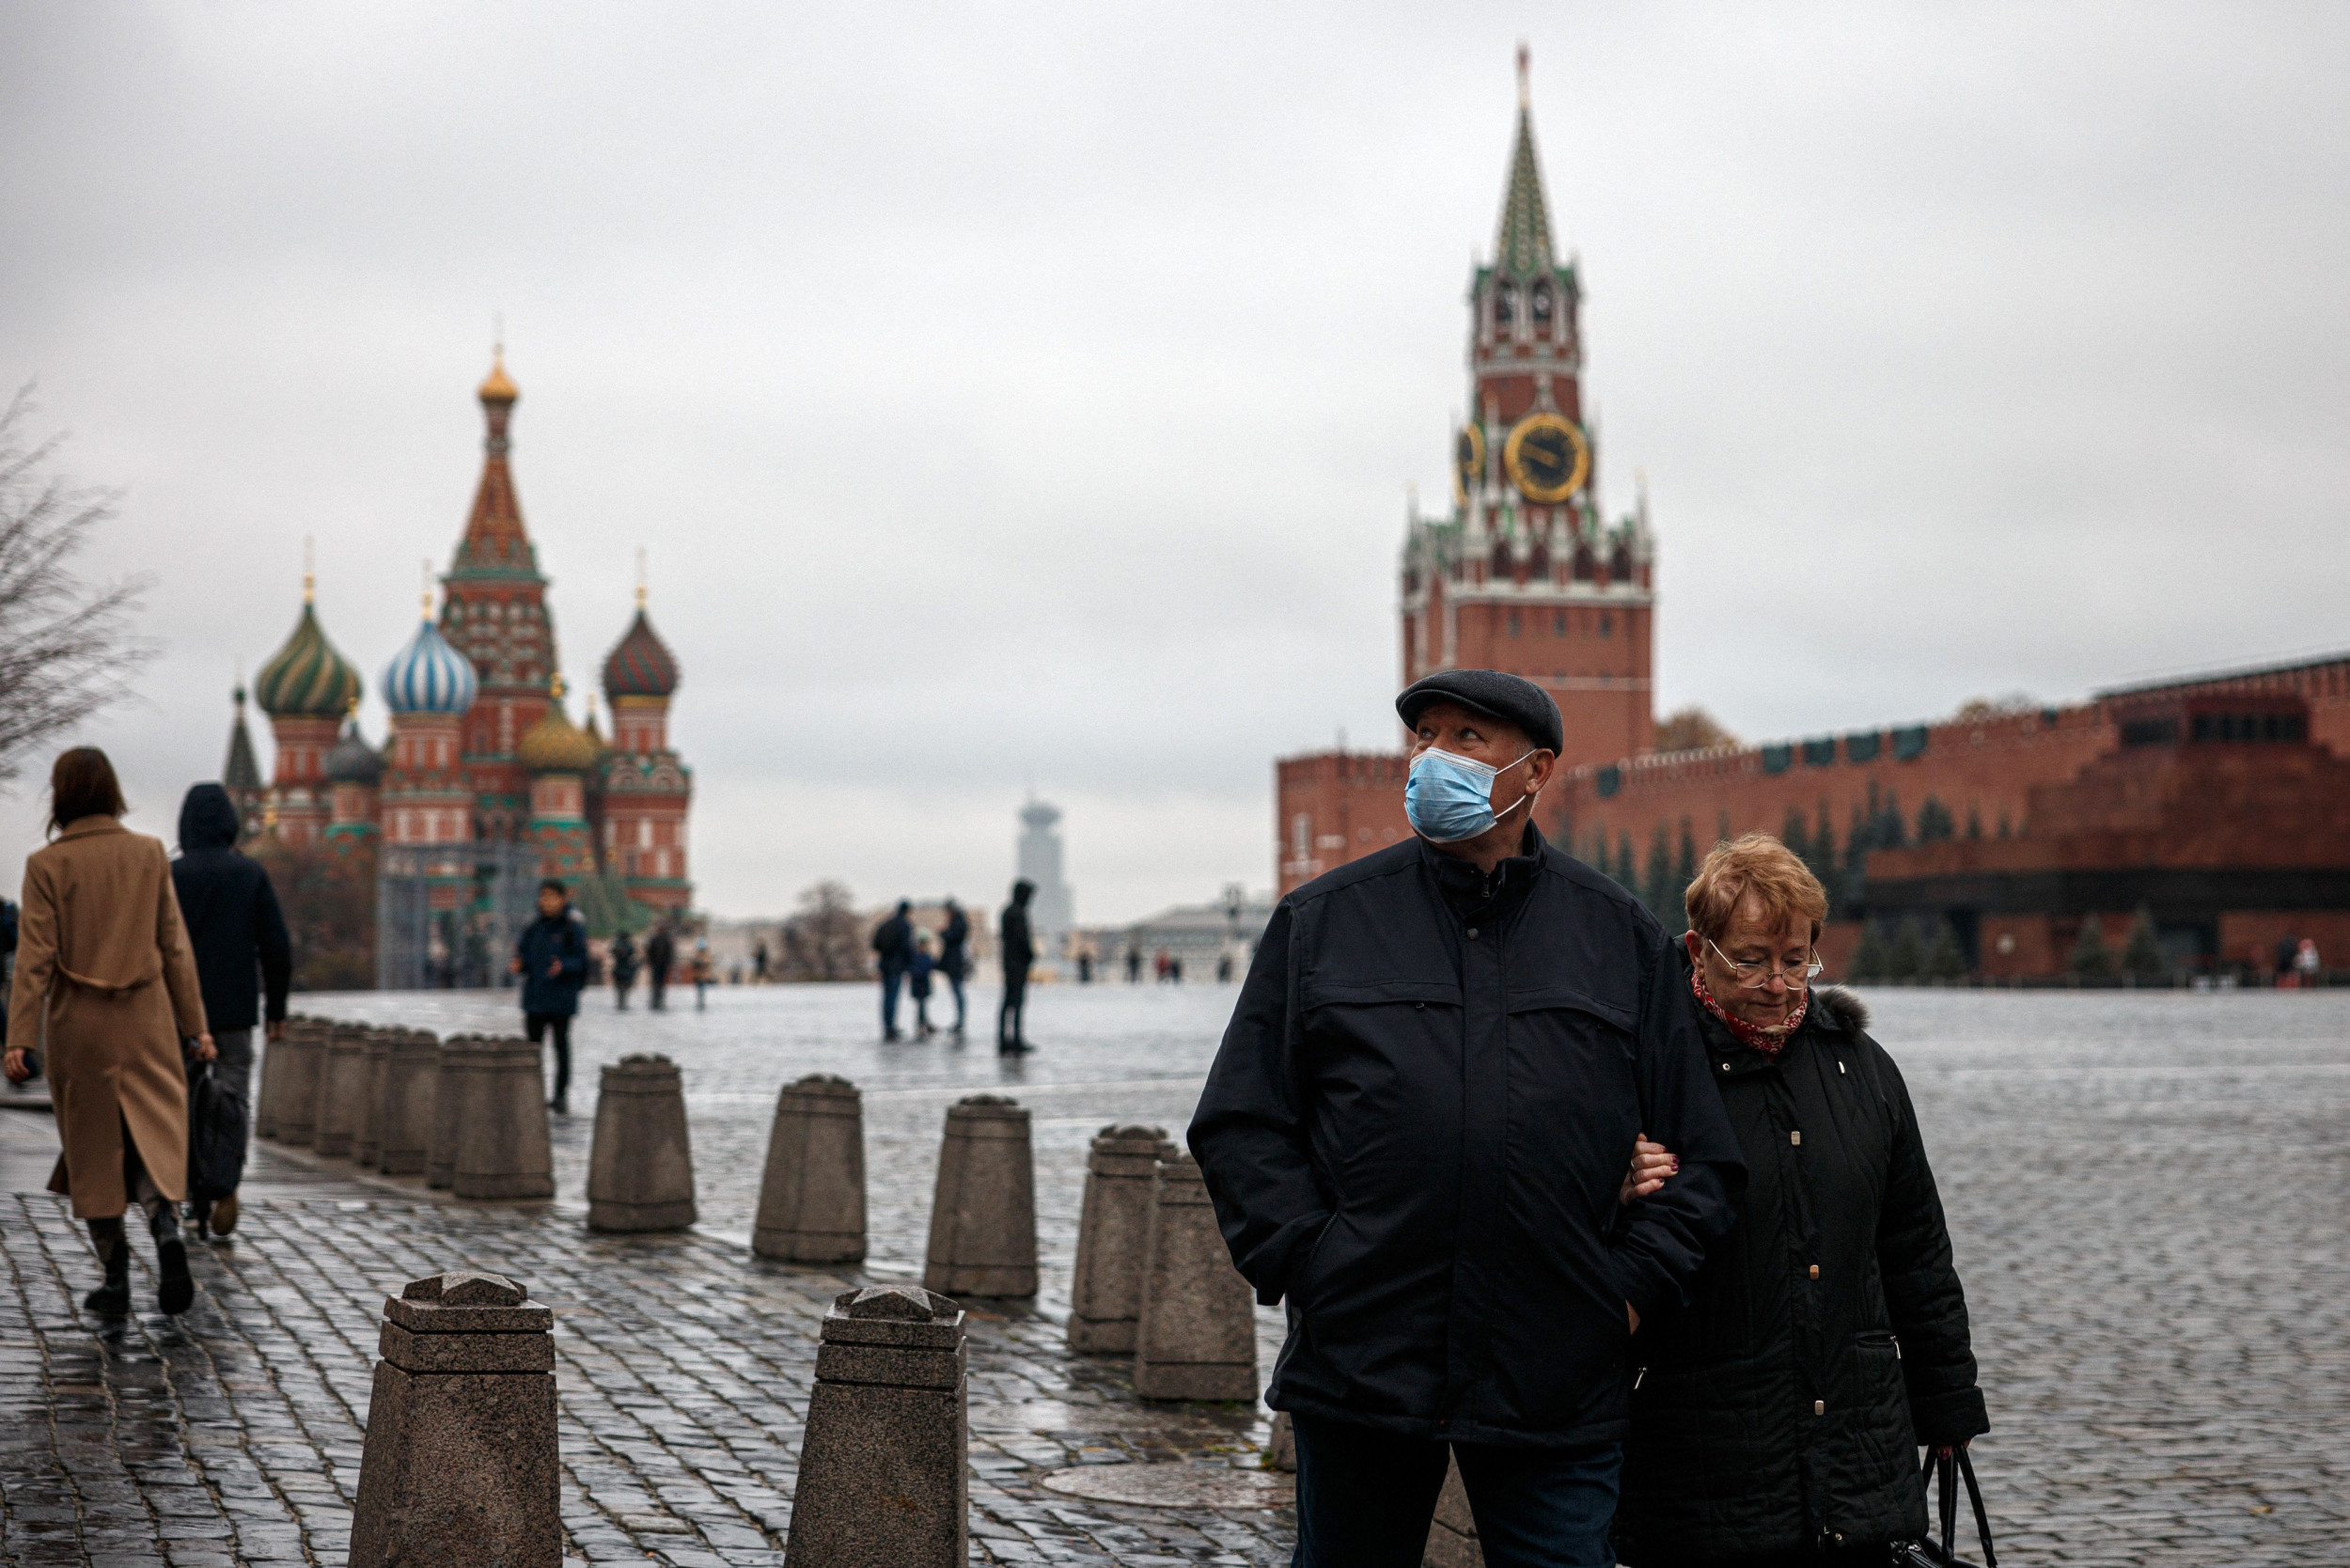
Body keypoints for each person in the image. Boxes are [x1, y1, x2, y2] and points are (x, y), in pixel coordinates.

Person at [1188, 670, 1743, 1568]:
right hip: (1366, 1362)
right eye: (1424, 737)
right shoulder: (1324, 923)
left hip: (1555, 1367)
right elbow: (1241, 1121)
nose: (1433, 758)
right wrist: (1313, 1262)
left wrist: (1626, 1296)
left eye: (1466, 739)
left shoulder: (1618, 938)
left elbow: (1703, 1156)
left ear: (1535, 771)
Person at [1611, 835, 1989, 1567]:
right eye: (1750, 959)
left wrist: (1947, 1405)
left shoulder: (1864, 1070)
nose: (1779, 983)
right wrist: (1611, 1182)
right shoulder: (1648, 1067)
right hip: (1698, 1456)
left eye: (1796, 959)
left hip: (1854, 1452)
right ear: (1698, 949)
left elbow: (1915, 1249)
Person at [4, 749, 213, 1317]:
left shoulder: (47, 865)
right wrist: (197, 1028)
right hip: (146, 1019)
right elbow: (175, 949)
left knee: (94, 1145)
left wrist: (18, 1037)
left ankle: (116, 1276)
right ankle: (165, 1226)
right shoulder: (148, 854)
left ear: (62, 794)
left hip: (80, 1024)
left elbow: (35, 961)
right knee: (150, 1131)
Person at [168, 783, 292, 1240]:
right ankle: (224, 1185)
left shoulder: (169, 875)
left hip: (178, 1014)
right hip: (234, 1011)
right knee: (233, 1097)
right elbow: (276, 948)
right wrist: (276, 1008)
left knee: (176, 1098)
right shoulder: (249, 874)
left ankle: (182, 1186)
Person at [511, 880, 588, 1114]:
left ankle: (560, 1095)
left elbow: (582, 961)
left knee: (561, 1047)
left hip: (561, 999)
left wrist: (563, 965)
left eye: (552, 897)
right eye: (544, 896)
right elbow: (522, 954)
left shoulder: (572, 927)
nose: (547, 902)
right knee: (533, 1049)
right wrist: (519, 964)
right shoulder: (532, 926)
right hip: (535, 998)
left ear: (563, 899)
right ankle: (532, 1092)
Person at [998, 879, 1035, 1055]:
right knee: (1016, 1002)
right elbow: (1022, 940)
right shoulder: (1018, 913)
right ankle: (1015, 1038)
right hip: (1017, 965)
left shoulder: (1007, 912)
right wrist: (1030, 954)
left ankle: (1005, 1038)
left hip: (1010, 963)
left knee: (1008, 1003)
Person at [872, 900, 913, 1041]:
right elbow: (907, 947)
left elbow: (876, 944)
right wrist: (909, 966)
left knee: (886, 997)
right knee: (893, 997)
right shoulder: (905, 926)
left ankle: (887, 1025)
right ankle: (891, 1027)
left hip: (885, 964)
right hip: (896, 966)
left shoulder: (885, 924)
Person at [939, 898, 970, 1036]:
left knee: (957, 992)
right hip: (954, 963)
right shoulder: (958, 921)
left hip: (954, 964)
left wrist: (943, 933)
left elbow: (953, 938)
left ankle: (960, 1022)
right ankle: (959, 1021)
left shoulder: (957, 923)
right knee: (957, 992)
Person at [908, 929, 939, 1039]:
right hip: (920, 983)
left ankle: (924, 1023)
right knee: (921, 1005)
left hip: (922, 984)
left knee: (922, 1005)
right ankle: (922, 1024)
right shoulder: (919, 956)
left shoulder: (922, 956)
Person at [646, 922, 675, 1011]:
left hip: (662, 965)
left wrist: (669, 963)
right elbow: (649, 952)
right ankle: (655, 1001)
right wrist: (650, 962)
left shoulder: (666, 940)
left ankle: (659, 1001)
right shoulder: (655, 939)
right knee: (656, 983)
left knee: (660, 984)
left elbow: (670, 953)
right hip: (656, 965)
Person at [610, 928, 639, 1011]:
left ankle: (621, 1003)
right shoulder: (626, 945)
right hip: (623, 969)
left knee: (621, 987)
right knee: (623, 987)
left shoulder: (619, 945)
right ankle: (622, 1003)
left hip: (622, 969)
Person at [691, 937, 713, 1011]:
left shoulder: (705, 955)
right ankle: (700, 1001)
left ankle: (701, 1001)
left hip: (702, 976)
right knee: (699, 989)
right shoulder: (698, 954)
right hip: (698, 975)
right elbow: (694, 963)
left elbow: (707, 963)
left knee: (702, 989)